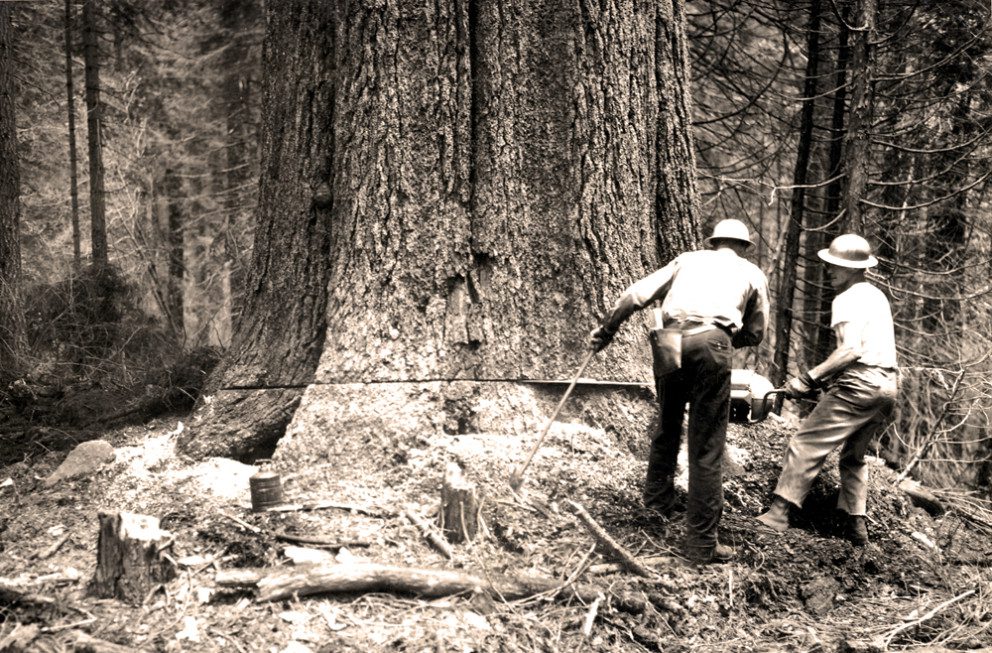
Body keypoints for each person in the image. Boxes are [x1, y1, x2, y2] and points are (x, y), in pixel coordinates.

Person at [590, 219, 769, 564]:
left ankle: (655, 509)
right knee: (706, 445)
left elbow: (634, 295)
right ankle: (701, 545)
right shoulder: (752, 272)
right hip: (712, 343)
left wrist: (607, 330)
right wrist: (726, 339)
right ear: (744, 247)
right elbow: (757, 331)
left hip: (669, 340)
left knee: (667, 425)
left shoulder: (687, 260)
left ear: (713, 242)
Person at [756, 234, 898, 546]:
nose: (829, 270)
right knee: (854, 457)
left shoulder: (846, 299)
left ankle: (778, 514)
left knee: (806, 442)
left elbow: (850, 351)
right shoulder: (876, 296)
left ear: (855, 269)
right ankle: (856, 528)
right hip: (888, 388)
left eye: (836, 266)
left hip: (860, 384)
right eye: (828, 264)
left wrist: (807, 380)